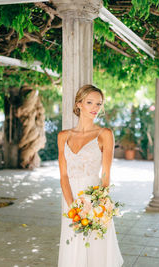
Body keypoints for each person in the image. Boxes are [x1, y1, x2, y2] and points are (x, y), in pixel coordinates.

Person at [57, 84, 123, 267]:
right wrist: (73, 209)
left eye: (99, 104)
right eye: (90, 102)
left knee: (97, 248)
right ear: (79, 104)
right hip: (70, 198)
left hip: (94, 198)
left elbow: (106, 175)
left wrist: (95, 204)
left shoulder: (104, 134)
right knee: (74, 246)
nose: (95, 108)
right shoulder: (63, 136)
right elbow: (63, 175)